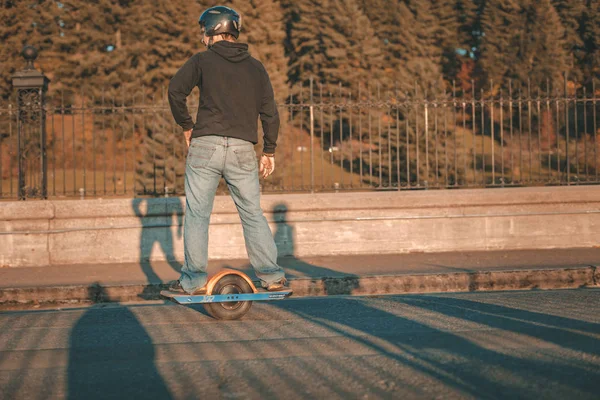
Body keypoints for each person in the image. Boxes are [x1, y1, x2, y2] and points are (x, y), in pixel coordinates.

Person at [167, 5, 288, 295]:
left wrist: (186, 125)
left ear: (212, 30)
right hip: (242, 150)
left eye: (203, 31)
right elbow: (270, 113)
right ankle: (272, 276)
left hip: (205, 145)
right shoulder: (256, 67)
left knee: (197, 214)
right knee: (251, 213)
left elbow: (175, 91)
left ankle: (193, 281)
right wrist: (269, 150)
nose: (201, 37)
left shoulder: (202, 61)